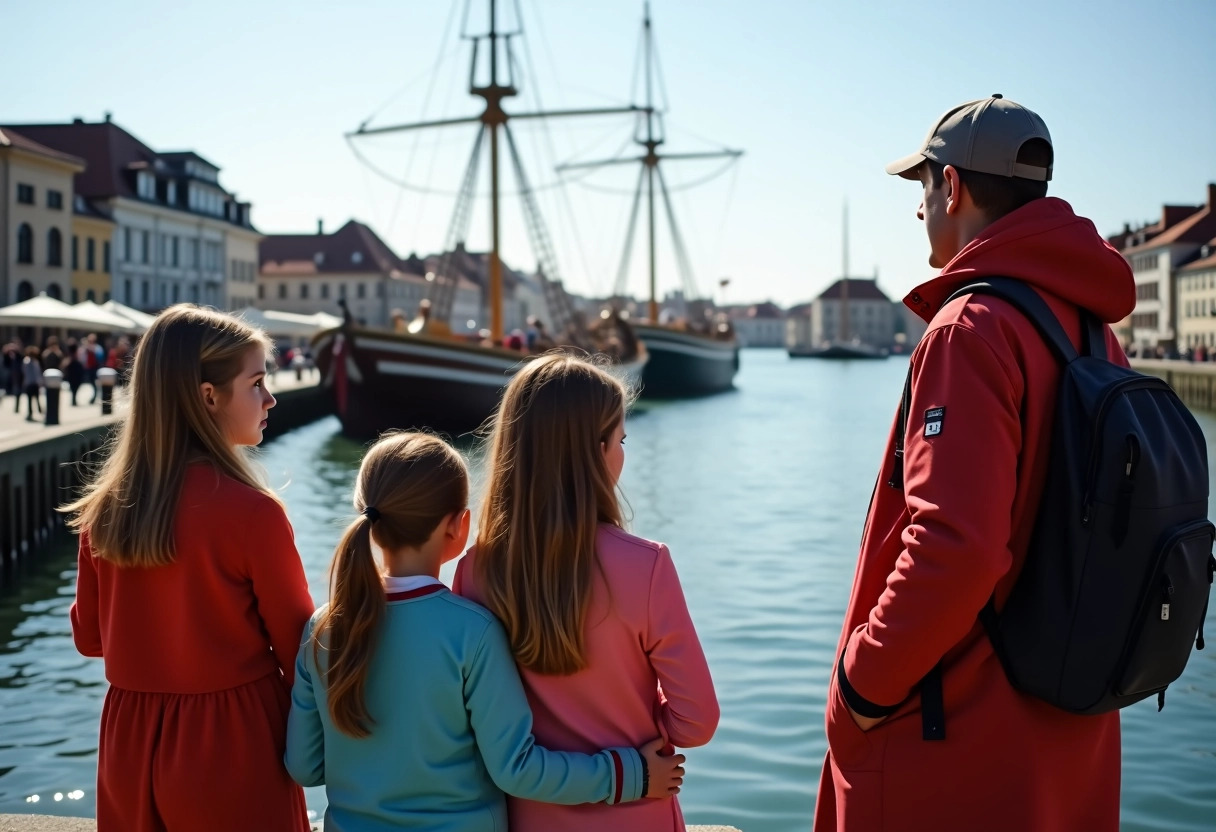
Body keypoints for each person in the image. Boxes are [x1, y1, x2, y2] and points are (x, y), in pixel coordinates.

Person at [815, 96, 1133, 832]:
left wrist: (859, 690)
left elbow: (954, 548)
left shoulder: (972, 329)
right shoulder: (1089, 331)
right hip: (1067, 727)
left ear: (952, 187)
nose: (920, 211)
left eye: (923, 189)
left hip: (954, 736)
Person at [285, 431, 684, 831]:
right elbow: (517, 770)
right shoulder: (472, 632)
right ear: (458, 526)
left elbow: (305, 766)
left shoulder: (322, 629)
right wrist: (633, 775)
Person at [66, 304, 315, 832]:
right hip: (233, 740)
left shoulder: (104, 510)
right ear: (209, 397)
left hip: (130, 743)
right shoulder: (253, 512)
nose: (271, 398)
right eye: (256, 383)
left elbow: (91, 637)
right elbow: (301, 653)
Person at [455, 354, 719, 832]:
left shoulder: (475, 571)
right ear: (596, 452)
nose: (623, 452)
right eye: (621, 440)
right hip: (640, 810)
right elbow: (697, 721)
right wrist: (645, 720)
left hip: (529, 816)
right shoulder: (647, 565)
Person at [20, 346, 44, 420]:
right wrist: (40, 382)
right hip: (34, 383)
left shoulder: (25, 361)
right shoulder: (35, 362)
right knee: (37, 398)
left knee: (30, 399)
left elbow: (24, 372)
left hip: (29, 383)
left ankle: (30, 413)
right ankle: (40, 411)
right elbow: (38, 373)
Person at [64, 337, 85, 406]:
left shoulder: (69, 358)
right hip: (75, 373)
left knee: (73, 388)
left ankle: (73, 400)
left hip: (72, 373)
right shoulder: (74, 357)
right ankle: (74, 400)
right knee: (74, 388)